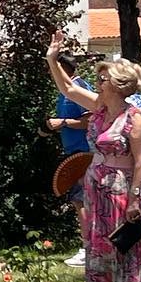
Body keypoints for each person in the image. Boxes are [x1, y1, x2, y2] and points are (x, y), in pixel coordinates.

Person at [45, 32, 141, 282]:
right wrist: (52, 58)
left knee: (124, 253)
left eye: (103, 78)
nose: (98, 82)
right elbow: (66, 86)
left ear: (119, 85)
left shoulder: (135, 119)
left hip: (120, 190)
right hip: (96, 188)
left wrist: (134, 199)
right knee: (100, 254)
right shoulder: (99, 109)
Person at [45, 53, 92, 267]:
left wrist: (62, 122)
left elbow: (89, 120)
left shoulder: (80, 88)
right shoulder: (64, 92)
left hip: (82, 152)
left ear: (64, 68)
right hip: (72, 150)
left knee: (81, 200)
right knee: (77, 200)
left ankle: (88, 247)